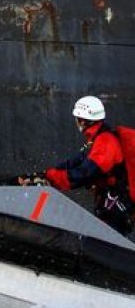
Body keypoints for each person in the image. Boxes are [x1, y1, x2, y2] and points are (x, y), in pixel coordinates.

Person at [20, 95, 133, 235]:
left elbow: (85, 173)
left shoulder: (106, 143)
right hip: (111, 200)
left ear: (83, 121)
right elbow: (73, 163)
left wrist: (52, 179)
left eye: (77, 119)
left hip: (117, 202)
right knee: (104, 237)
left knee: (108, 240)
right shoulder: (97, 140)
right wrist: (44, 175)